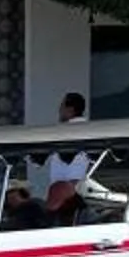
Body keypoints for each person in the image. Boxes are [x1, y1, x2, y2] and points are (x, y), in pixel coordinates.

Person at [43, 93, 94, 221]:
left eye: (62, 106)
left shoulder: (67, 132)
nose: (59, 110)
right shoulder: (87, 130)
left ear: (70, 110)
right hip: (71, 193)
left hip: (66, 194)